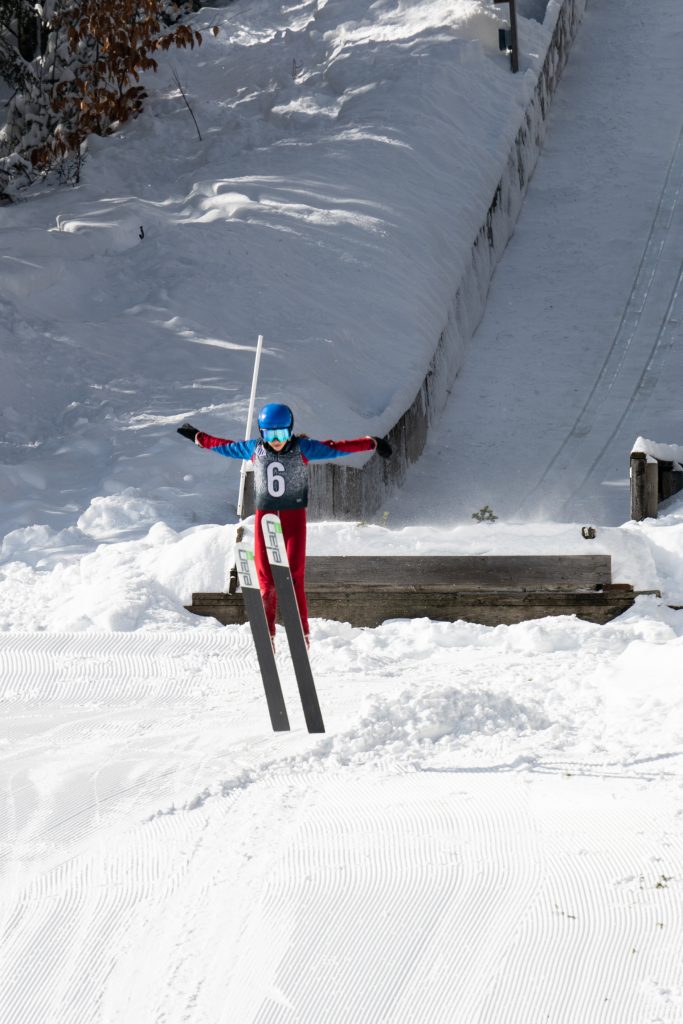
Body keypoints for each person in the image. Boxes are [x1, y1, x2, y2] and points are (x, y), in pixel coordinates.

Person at [177, 403, 392, 643]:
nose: (277, 440)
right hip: (265, 519)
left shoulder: (303, 448)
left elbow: (335, 448)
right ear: (262, 433)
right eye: (270, 435)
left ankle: (301, 633)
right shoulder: (254, 449)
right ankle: (267, 632)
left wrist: (371, 443)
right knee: (266, 580)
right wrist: (197, 437)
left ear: (290, 430)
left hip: (293, 518)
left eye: (281, 433)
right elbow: (223, 446)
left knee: (294, 577)